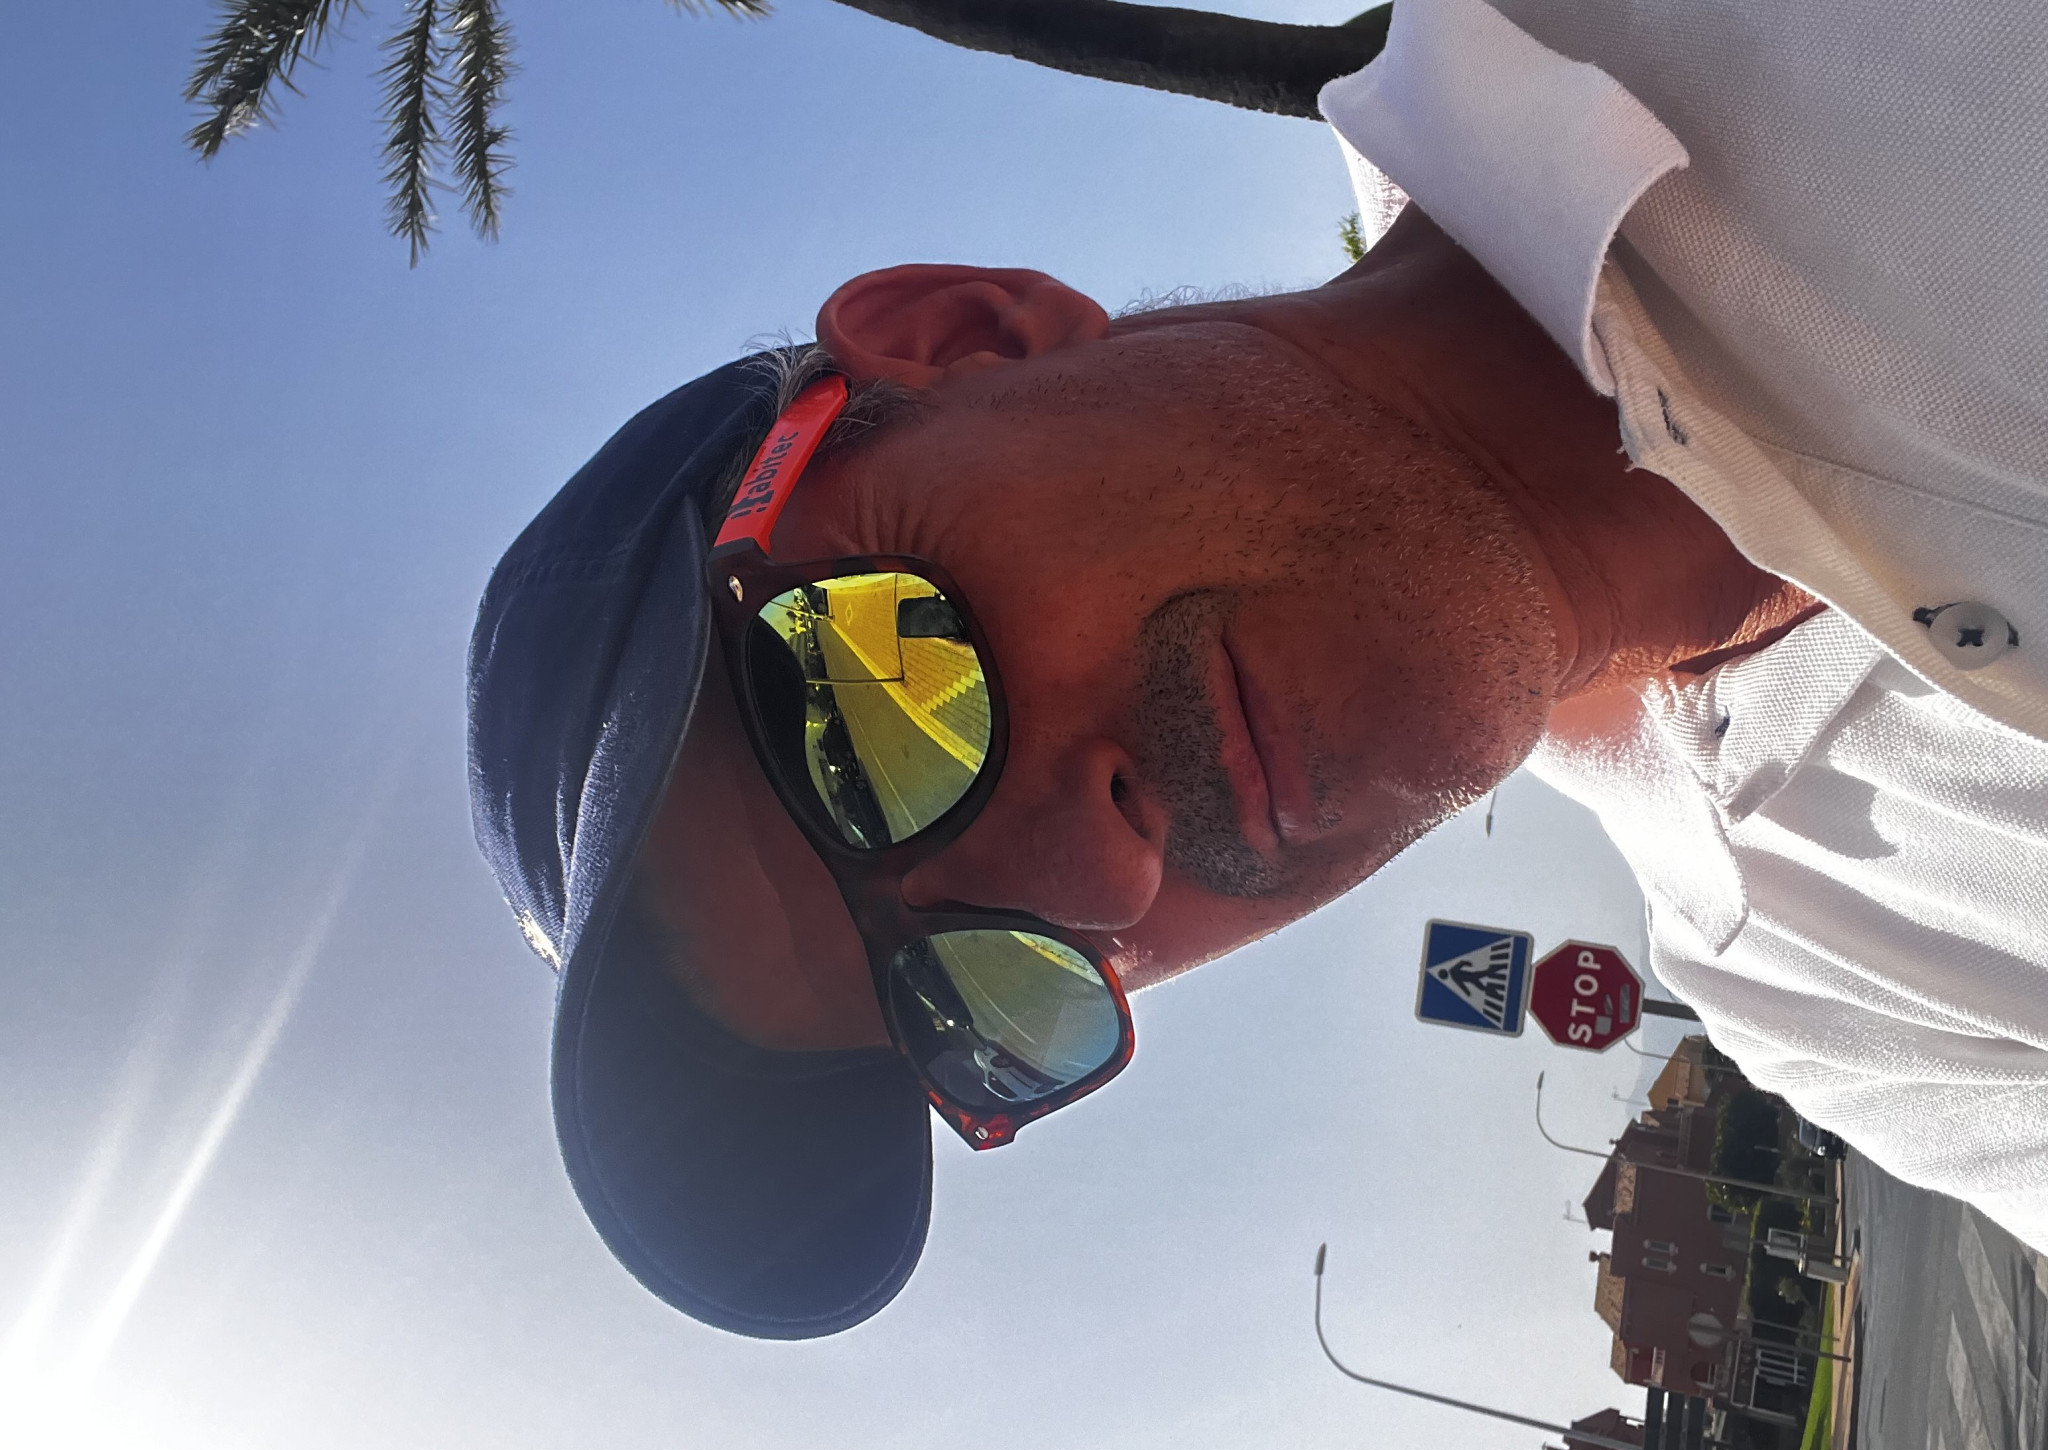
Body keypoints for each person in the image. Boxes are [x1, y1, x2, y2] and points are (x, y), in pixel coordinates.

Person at [468, 0, 2048, 1336]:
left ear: (963, 340)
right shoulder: (1858, 1002)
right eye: (976, 991)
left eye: (879, 721)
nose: (1098, 881)